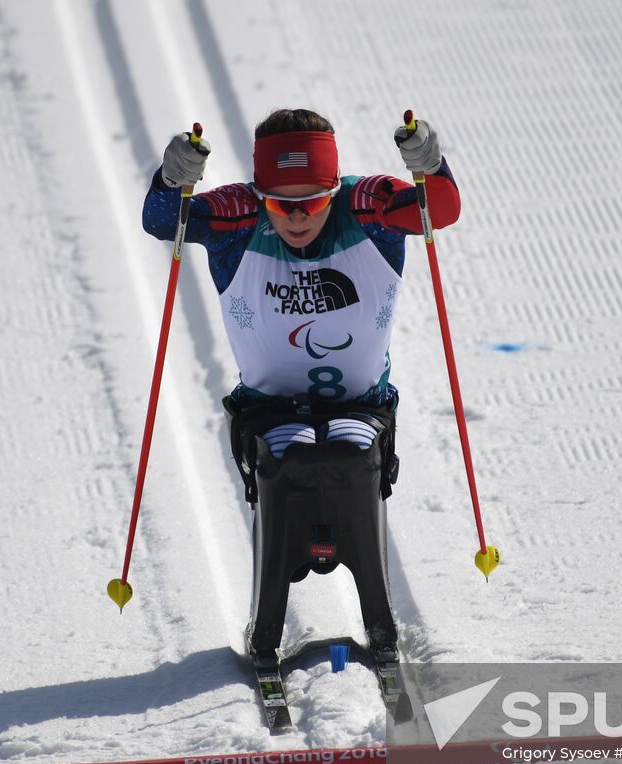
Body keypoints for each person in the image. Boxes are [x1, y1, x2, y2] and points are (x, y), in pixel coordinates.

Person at [142, 108, 461, 664]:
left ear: (333, 190)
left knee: (351, 458)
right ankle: (266, 625)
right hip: (267, 411)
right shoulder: (240, 216)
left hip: (362, 406)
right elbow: (164, 221)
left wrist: (431, 166)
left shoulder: (369, 208)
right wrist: (171, 178)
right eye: (279, 204)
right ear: (259, 193)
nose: (295, 217)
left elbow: (443, 209)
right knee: (286, 466)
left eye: (313, 202)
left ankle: (378, 622)